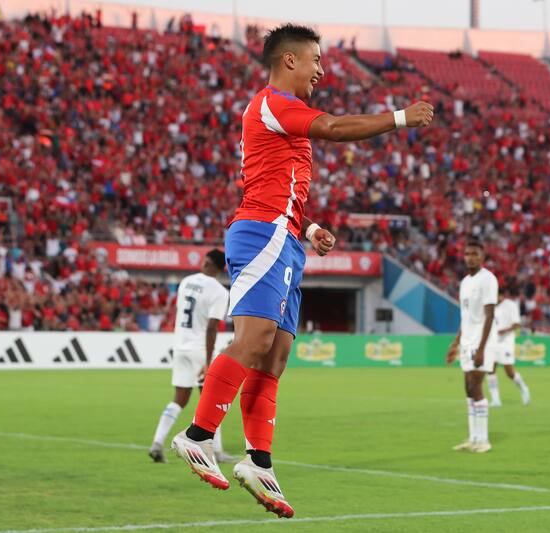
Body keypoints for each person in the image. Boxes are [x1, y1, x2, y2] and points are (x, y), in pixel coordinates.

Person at [170, 23, 434, 518]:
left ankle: (259, 461)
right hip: (262, 234)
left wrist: (309, 230)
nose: (321, 69)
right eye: (315, 60)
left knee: (276, 354)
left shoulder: (280, 117)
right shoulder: (273, 102)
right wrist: (399, 117)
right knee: (255, 337)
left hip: (285, 237)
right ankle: (197, 434)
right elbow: (334, 128)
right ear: (289, 60)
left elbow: (273, 184)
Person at [148, 250, 234, 462]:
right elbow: (212, 327)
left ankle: (157, 442)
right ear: (221, 268)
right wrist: (207, 361)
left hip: (180, 347)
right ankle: (217, 451)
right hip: (200, 349)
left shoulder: (185, 282)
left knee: (179, 399)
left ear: (205, 262)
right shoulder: (220, 292)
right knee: (213, 399)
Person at [446, 241, 497, 453]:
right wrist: (456, 342)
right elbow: (465, 316)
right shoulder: (465, 282)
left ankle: (484, 440)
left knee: (476, 386)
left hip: (481, 341)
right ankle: (473, 438)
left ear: (482, 257)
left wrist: (483, 348)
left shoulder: (488, 279)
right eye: (467, 254)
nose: (470, 257)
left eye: (474, 254)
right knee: (468, 388)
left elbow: (490, 315)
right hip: (467, 341)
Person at [487, 286, 530, 407]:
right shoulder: (490, 306)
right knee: (490, 370)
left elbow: (517, 324)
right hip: (492, 342)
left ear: (502, 295)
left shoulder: (510, 305)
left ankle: (523, 388)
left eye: (496, 296)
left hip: (506, 342)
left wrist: (503, 331)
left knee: (509, 372)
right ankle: (496, 400)